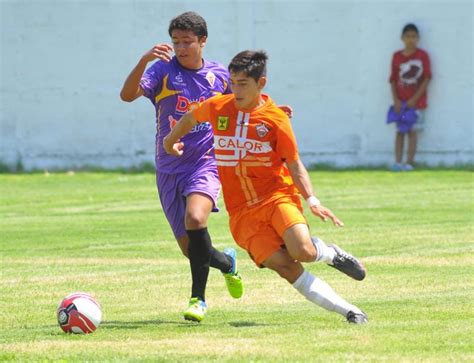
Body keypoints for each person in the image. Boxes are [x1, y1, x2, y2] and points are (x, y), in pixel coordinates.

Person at [164, 50, 368, 324]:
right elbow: (190, 118)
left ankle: (330, 253)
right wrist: (169, 141)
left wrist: (312, 200)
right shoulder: (218, 107)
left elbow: (294, 164)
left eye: (243, 84)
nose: (235, 90)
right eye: (233, 82)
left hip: (276, 198)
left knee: (303, 252)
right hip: (241, 215)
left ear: (261, 83)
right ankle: (350, 311)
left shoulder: (276, 120)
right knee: (286, 267)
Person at [119, 11, 243, 322]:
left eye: (187, 42)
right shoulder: (161, 71)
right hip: (168, 169)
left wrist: (273, 110)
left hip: (205, 163)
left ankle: (197, 300)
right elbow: (127, 95)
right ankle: (228, 263)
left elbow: (245, 102)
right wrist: (144, 60)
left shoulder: (219, 77)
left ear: (203, 41)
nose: (181, 48)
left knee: (196, 217)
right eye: (176, 42)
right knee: (192, 250)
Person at [389, 23, 432, 171]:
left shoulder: (422, 56)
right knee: (400, 131)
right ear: (402, 38)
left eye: (414, 36)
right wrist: (396, 100)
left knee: (412, 131)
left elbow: (427, 78)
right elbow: (393, 79)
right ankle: (397, 162)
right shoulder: (396, 56)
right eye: (407, 36)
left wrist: (414, 99)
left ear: (418, 38)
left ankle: (409, 162)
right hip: (400, 103)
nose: (410, 39)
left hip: (417, 103)